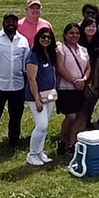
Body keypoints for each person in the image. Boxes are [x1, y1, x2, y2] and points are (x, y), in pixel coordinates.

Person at [0, 13, 30, 154]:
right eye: (8, 21)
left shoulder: (23, 41)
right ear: (3, 22)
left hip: (18, 85)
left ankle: (14, 140)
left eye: (14, 21)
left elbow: (25, 65)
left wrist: (27, 85)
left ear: (17, 24)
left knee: (16, 116)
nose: (11, 24)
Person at [24, 28, 58, 166]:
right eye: (43, 37)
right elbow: (31, 79)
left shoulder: (49, 53)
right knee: (41, 125)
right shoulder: (33, 55)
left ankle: (40, 152)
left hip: (49, 95)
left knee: (46, 125)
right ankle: (32, 154)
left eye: (49, 38)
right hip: (36, 96)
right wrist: (37, 99)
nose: (46, 40)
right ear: (38, 38)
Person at [55, 22, 91, 154]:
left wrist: (84, 80)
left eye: (76, 33)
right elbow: (60, 67)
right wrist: (74, 81)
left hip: (80, 88)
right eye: (71, 33)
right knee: (71, 116)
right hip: (66, 88)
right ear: (65, 35)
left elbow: (88, 67)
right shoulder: (61, 49)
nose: (74, 35)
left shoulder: (83, 50)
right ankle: (62, 139)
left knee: (79, 116)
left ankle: (71, 143)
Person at [79, 17, 99, 125]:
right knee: (81, 105)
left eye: (93, 26)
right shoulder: (78, 43)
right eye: (88, 26)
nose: (91, 29)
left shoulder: (98, 42)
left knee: (92, 101)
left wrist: (95, 80)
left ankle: (87, 122)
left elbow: (97, 62)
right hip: (80, 76)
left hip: (94, 75)